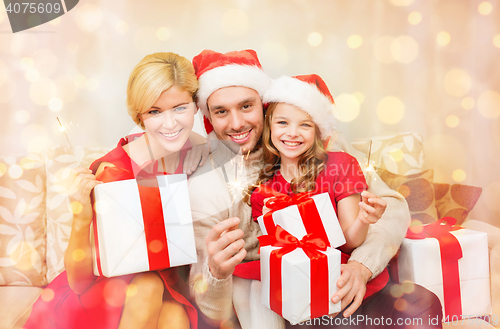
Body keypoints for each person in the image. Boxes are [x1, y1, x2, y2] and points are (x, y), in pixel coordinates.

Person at [188, 49, 442, 329]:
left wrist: (362, 265)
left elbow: (392, 208)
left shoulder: (322, 149)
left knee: (422, 304)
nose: (236, 124)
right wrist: (217, 272)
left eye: (246, 106)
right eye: (221, 112)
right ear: (209, 117)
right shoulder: (204, 189)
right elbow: (212, 308)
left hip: (341, 278)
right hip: (283, 302)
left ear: (264, 106)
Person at [24, 52, 206, 329]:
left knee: (176, 316)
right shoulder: (114, 172)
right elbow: (80, 282)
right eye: (155, 112)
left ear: (195, 106)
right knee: (147, 286)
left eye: (180, 108)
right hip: (101, 292)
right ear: (140, 116)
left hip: (166, 286)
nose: (170, 124)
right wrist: (81, 216)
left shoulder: (200, 150)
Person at [251, 74, 387, 255]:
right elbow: (277, 255)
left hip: (336, 270)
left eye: (305, 125)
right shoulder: (263, 192)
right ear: (270, 127)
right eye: (282, 122)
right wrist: (273, 222)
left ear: (317, 131)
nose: (292, 133)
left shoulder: (341, 165)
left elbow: (348, 244)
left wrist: (363, 220)